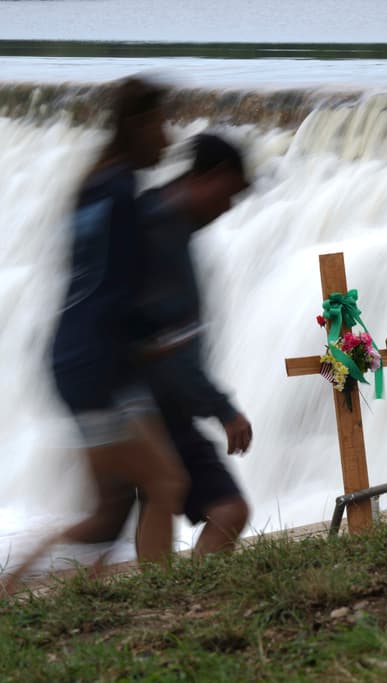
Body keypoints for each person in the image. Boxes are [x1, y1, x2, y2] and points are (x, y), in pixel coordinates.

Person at [3, 76, 189, 595]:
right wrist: (161, 335)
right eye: (162, 124)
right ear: (139, 125)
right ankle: (160, 602)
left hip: (80, 356)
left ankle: (23, 586)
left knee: (110, 511)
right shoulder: (123, 192)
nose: (168, 139)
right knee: (163, 483)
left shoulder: (95, 184)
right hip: (98, 364)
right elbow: (122, 289)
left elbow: (90, 279)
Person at [137, 133, 253, 557]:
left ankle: (155, 604)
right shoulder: (164, 233)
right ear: (214, 176)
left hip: (129, 399)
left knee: (157, 497)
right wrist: (223, 409)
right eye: (229, 195)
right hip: (160, 401)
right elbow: (170, 342)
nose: (227, 208)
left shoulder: (149, 214)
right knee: (229, 509)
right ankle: (188, 601)